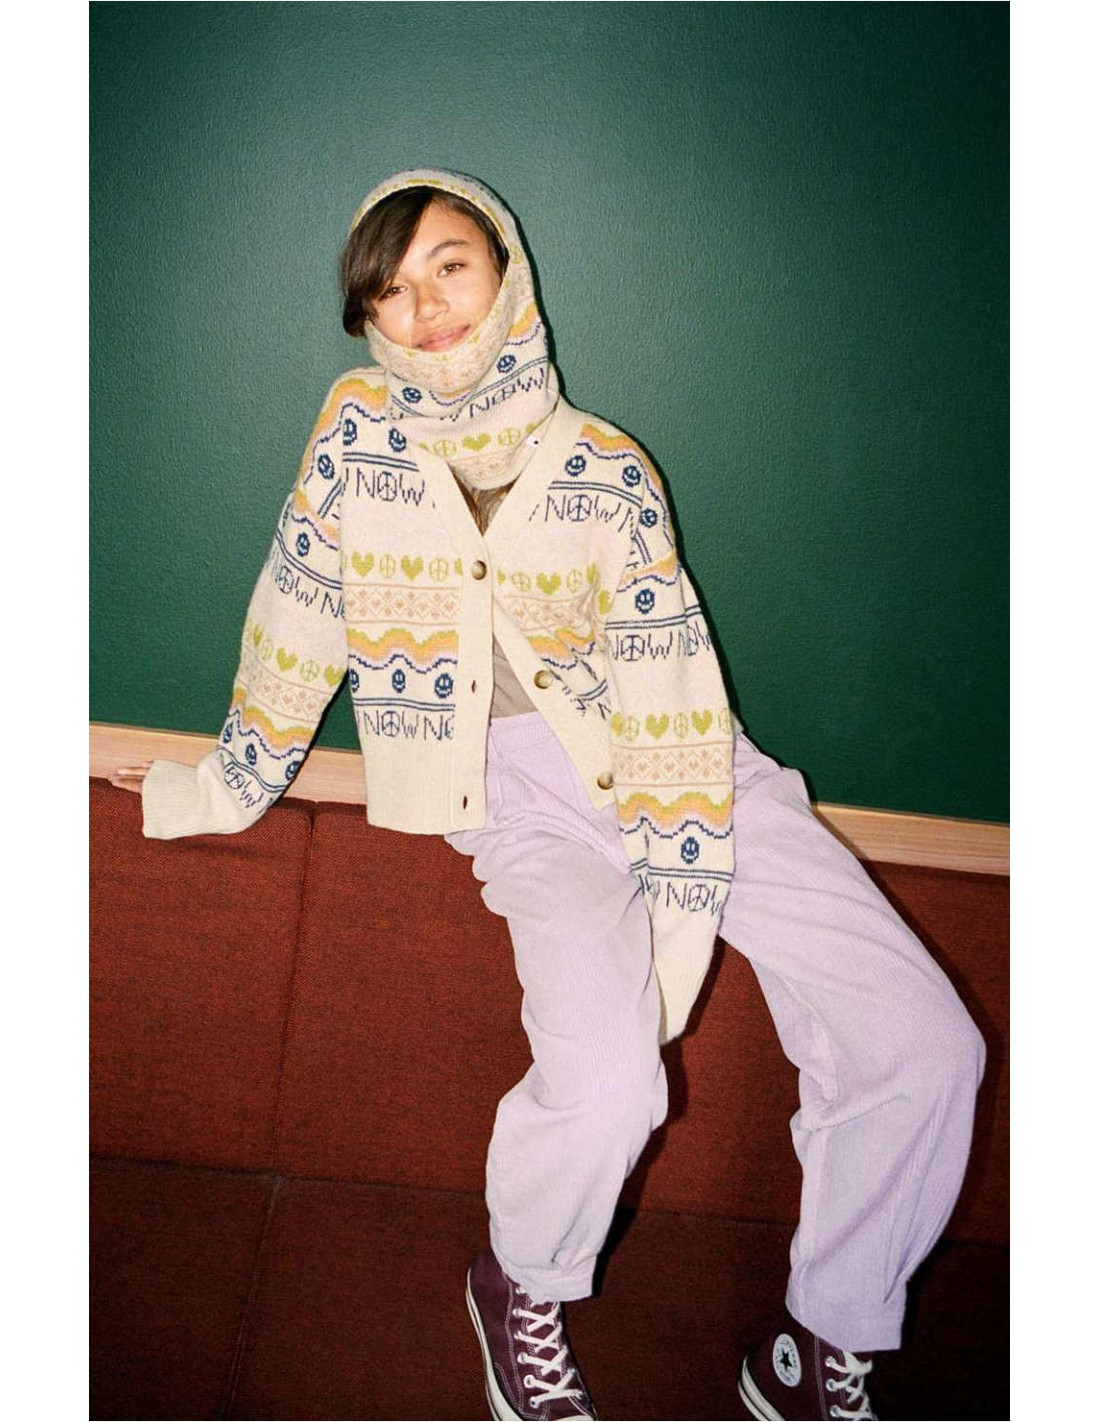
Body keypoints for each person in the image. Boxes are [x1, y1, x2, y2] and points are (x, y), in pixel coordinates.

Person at [111, 168, 985, 1422]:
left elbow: (668, 669)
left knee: (924, 1042)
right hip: (514, 793)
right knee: (611, 1081)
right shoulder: (356, 436)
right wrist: (221, 783)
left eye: (449, 267)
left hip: (687, 762)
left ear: (507, 273)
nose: (426, 309)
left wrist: (680, 890)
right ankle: (518, 1283)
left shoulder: (606, 466)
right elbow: (297, 613)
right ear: (369, 317)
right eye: (391, 289)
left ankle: (822, 1339)